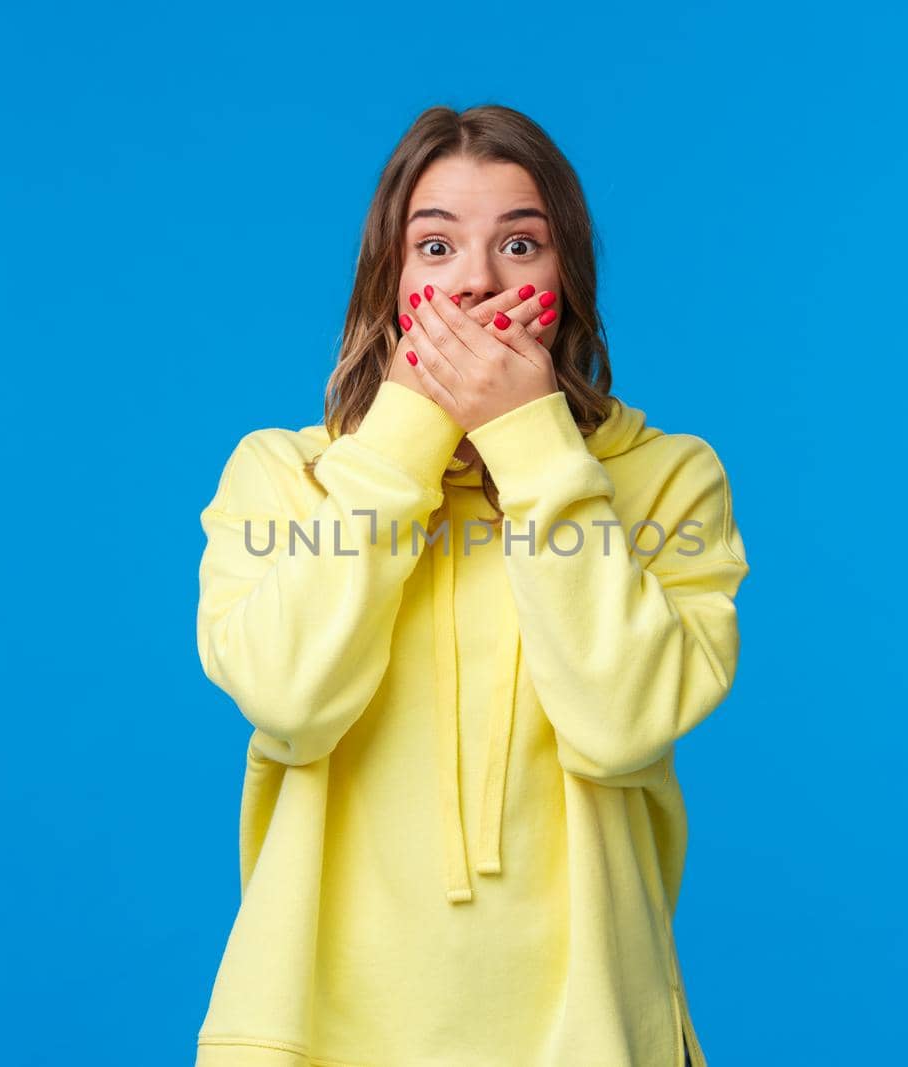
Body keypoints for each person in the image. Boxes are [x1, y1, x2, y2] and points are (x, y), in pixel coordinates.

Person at [192, 104, 749, 1067]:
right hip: (310, 1034)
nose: (479, 281)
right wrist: (407, 431)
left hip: (593, 1034)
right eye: (437, 245)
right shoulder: (285, 475)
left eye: (520, 243)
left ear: (565, 277)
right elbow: (289, 698)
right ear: (391, 278)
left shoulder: (668, 476)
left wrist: (531, 442)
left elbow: (623, 722)